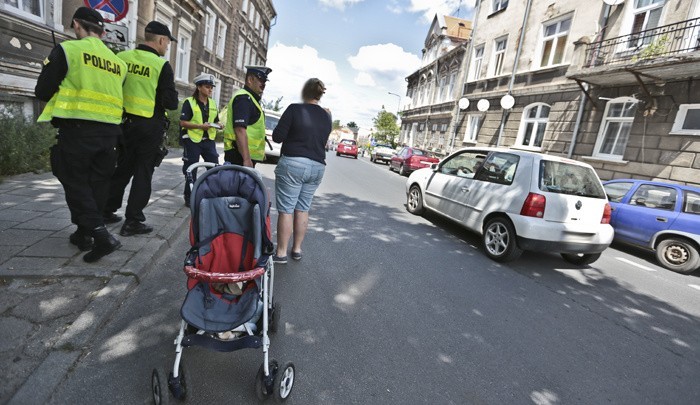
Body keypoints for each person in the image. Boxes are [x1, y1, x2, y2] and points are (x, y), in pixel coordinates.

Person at [35, 7, 126, 262]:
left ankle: (101, 235)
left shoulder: (69, 50)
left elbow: (43, 91)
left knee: (74, 182)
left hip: (77, 131)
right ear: (103, 32)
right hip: (110, 134)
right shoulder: (118, 63)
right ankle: (83, 234)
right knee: (97, 185)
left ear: (76, 25)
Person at [103, 21, 179, 236]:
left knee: (122, 169)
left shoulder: (122, 58)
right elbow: (171, 102)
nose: (166, 48)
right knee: (143, 173)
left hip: (123, 124)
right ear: (161, 40)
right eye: (167, 44)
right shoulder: (160, 65)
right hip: (149, 126)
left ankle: (106, 210)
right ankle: (133, 221)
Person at [271, 78, 332, 263]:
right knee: (303, 209)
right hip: (317, 166)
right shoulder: (326, 116)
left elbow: (277, 137)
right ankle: (296, 249)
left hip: (294, 164)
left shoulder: (294, 109)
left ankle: (281, 253)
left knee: (287, 210)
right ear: (320, 94)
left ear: (304, 92)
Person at [179, 73, 221, 206]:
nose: (210, 90)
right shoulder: (189, 102)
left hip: (208, 140)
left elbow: (215, 120)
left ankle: (212, 194)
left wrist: (219, 125)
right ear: (199, 87)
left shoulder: (213, 103)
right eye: (207, 87)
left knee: (214, 168)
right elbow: (182, 123)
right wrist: (199, 126)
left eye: (211, 87)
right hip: (193, 139)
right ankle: (189, 197)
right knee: (192, 168)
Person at [223, 65, 272, 167]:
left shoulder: (251, 99)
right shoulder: (244, 99)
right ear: (250, 79)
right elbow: (240, 130)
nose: (264, 84)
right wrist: (246, 159)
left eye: (265, 81)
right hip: (238, 157)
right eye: (261, 80)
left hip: (242, 155)